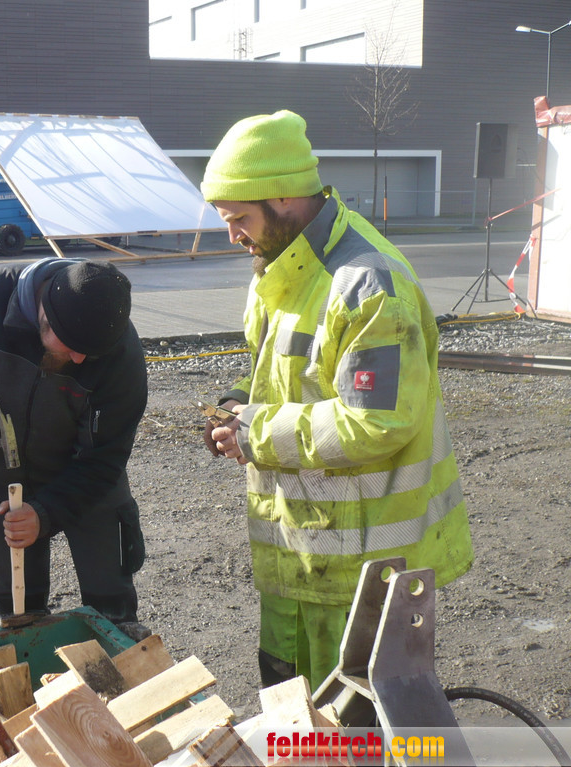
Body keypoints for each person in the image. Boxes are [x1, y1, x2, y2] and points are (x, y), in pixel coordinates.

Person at [199, 110, 474, 690]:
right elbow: (281, 370)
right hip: (301, 556)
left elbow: (376, 422)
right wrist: (237, 402)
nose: (233, 235)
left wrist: (255, 432)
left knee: (352, 722)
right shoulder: (283, 267)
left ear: (284, 197)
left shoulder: (369, 286)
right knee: (291, 710)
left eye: (240, 218)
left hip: (363, 573)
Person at [0, 257, 148, 634]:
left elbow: (105, 459)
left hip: (89, 477)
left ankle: (117, 638)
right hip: (5, 473)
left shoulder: (118, 348)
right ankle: (25, 639)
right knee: (18, 604)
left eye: (90, 352)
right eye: (73, 346)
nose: (81, 359)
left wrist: (46, 513)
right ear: (44, 316)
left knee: (110, 600)